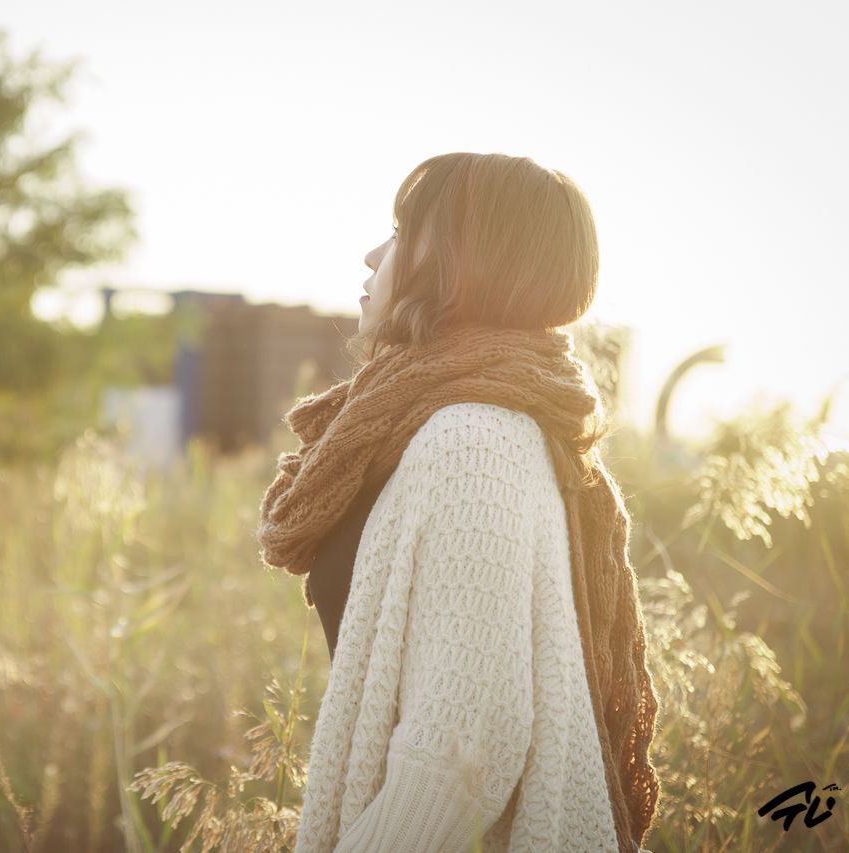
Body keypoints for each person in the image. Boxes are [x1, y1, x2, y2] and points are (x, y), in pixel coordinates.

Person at [257, 153, 661, 852]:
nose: (371, 254)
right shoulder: (451, 418)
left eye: (399, 232)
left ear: (457, 261)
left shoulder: (475, 443)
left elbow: (460, 759)